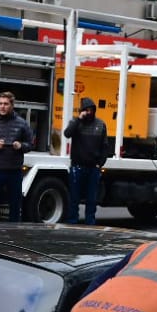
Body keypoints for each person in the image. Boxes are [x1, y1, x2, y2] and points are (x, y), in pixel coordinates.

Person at [0, 90, 34, 222]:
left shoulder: (22, 123)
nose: (2, 106)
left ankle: (13, 230)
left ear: (12, 105)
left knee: (15, 205)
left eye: (6, 104)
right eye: (0, 103)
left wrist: (21, 146)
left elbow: (30, 144)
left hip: (14, 171)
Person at [63, 96, 108, 225]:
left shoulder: (100, 124)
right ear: (81, 110)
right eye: (86, 110)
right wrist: (79, 119)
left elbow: (105, 146)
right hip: (77, 166)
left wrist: (100, 163)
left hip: (93, 167)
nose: (89, 112)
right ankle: (72, 222)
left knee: (91, 199)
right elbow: (67, 133)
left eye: (91, 110)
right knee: (74, 198)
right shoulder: (76, 122)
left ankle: (90, 223)